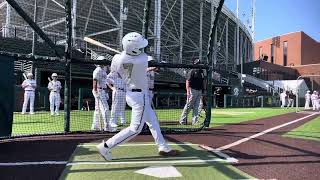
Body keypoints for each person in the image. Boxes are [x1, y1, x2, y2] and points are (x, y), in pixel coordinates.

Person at [96, 32, 179, 161]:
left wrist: (122, 56)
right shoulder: (142, 59)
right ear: (133, 50)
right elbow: (153, 64)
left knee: (153, 122)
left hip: (131, 94)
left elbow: (115, 71)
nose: (142, 49)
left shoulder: (117, 59)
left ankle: (163, 147)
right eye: (140, 48)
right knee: (135, 129)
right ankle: (106, 146)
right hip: (140, 97)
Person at [179, 59, 206, 125]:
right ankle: (182, 120)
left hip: (199, 90)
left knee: (196, 107)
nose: (200, 65)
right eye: (198, 64)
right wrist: (188, 91)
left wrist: (204, 89)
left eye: (200, 63)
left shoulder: (201, 71)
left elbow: (204, 81)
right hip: (192, 90)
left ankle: (195, 121)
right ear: (195, 64)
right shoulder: (192, 71)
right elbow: (187, 81)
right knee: (188, 106)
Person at [91, 57, 113, 131]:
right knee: (105, 108)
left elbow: (105, 81)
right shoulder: (97, 70)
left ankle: (95, 126)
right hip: (99, 90)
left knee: (97, 110)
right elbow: (95, 81)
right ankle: (107, 126)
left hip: (103, 90)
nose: (104, 62)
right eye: (102, 61)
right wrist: (95, 91)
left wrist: (106, 90)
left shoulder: (103, 70)